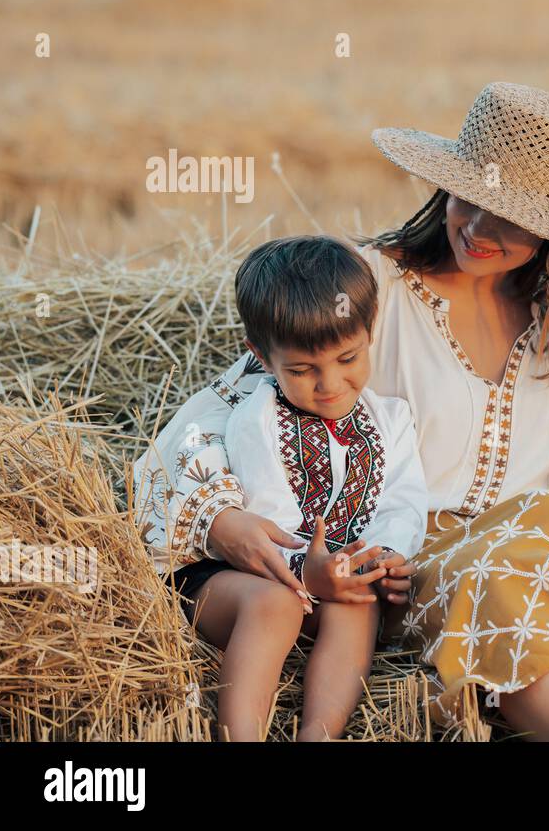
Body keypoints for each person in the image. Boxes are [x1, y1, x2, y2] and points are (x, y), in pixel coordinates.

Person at [135, 81, 549, 741]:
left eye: (508, 219)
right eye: (465, 199)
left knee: (545, 542)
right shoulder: (365, 289)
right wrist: (219, 520)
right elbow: (214, 414)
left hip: (531, 564)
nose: (476, 228)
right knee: (530, 542)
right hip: (397, 569)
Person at [145, 235, 429, 740]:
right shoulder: (257, 418)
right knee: (275, 606)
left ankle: (318, 735)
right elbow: (269, 518)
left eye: (348, 358)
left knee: (357, 605)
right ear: (261, 356)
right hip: (242, 578)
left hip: (325, 577)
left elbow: (402, 499)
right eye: (301, 370)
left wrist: (383, 555)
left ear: (370, 332)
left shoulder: (392, 419)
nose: (329, 384)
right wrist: (311, 573)